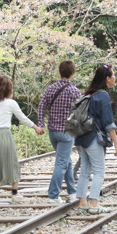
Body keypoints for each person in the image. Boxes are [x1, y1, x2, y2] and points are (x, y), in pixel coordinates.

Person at [0, 76, 44, 205]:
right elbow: (23, 118)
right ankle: (14, 194)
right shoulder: (11, 103)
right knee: (11, 163)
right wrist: (36, 128)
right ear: (8, 89)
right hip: (5, 135)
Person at [74, 64, 117, 213]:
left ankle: (82, 203)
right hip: (94, 138)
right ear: (107, 79)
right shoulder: (103, 96)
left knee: (85, 171)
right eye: (113, 75)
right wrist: (116, 144)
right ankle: (94, 204)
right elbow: (108, 123)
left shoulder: (88, 94)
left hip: (82, 138)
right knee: (99, 171)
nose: (114, 78)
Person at [37, 60, 82, 204]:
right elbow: (81, 112)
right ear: (72, 73)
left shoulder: (50, 89)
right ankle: (53, 195)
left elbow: (41, 106)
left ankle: (72, 192)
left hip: (52, 132)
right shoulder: (74, 91)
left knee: (66, 160)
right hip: (67, 133)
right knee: (62, 163)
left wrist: (40, 124)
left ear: (60, 71)